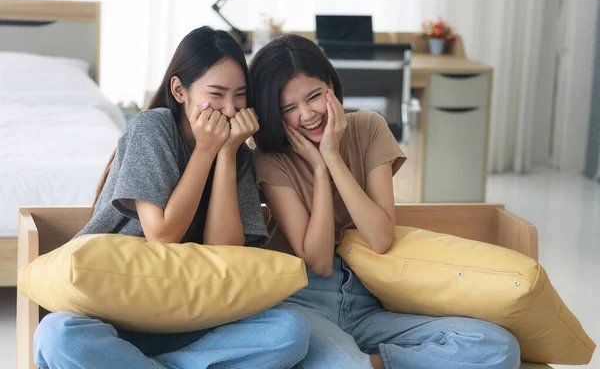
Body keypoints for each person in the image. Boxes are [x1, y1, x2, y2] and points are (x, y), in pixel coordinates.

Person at [33, 26, 310, 369]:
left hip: (191, 321)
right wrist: (206, 151)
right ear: (179, 90)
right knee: (57, 334)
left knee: (290, 331)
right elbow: (162, 236)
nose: (229, 108)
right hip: (115, 315)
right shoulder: (152, 128)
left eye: (240, 95)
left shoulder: (236, 151)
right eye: (217, 93)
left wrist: (225, 156)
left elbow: (224, 254)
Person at [249, 33, 520, 369]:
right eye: (289, 108)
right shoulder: (270, 158)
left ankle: (371, 364)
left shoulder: (368, 128)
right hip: (306, 302)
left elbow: (379, 237)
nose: (307, 115)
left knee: (498, 346)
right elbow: (317, 261)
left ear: (331, 86)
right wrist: (319, 172)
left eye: (314, 96)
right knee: (346, 365)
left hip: (369, 302)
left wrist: (332, 157)